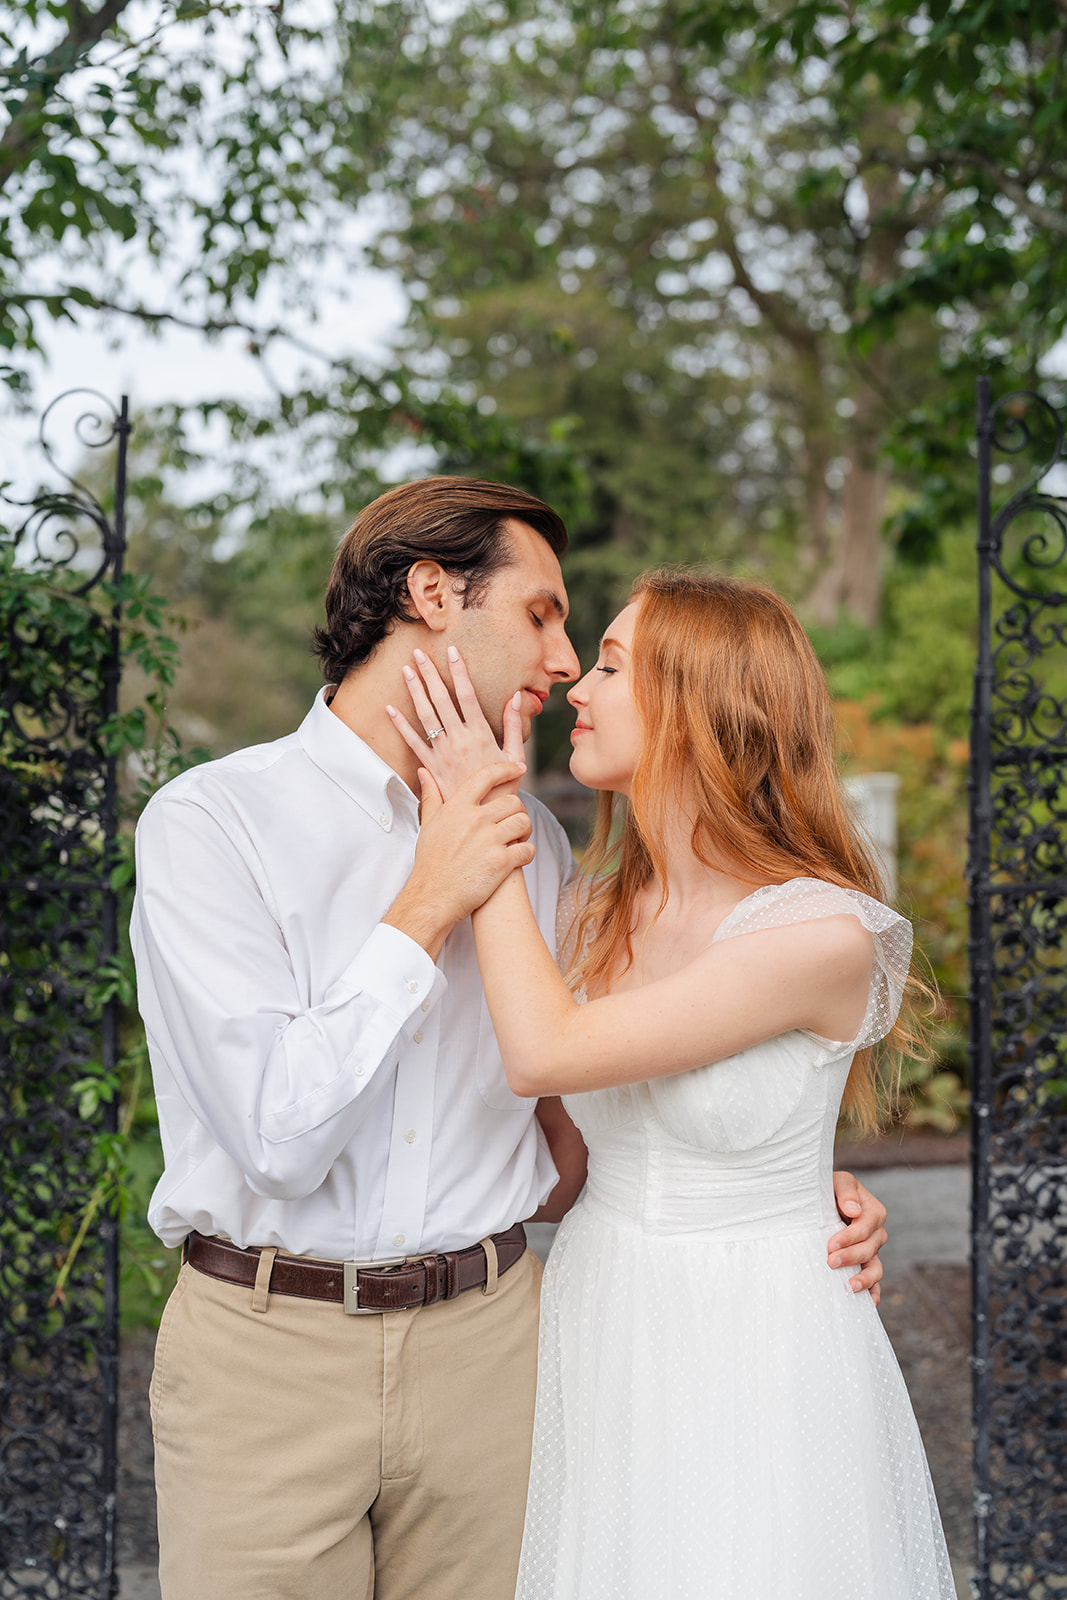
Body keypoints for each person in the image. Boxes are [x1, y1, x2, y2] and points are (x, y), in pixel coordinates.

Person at [132, 481, 890, 1600]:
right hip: (268, 1349)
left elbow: (586, 1095)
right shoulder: (213, 824)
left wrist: (775, 1180)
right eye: (541, 613)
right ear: (432, 595)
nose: (564, 655)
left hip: (502, 1350)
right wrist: (430, 894)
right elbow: (275, 1139)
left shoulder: (541, 848)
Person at [393, 568, 955, 1600]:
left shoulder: (819, 933)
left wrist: (481, 810)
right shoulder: (594, 911)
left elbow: (544, 1052)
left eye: (609, 664)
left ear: (699, 708)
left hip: (755, 1336)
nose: (577, 686)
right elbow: (559, 1156)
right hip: (601, 1314)